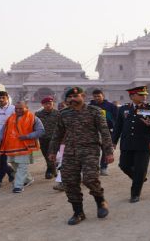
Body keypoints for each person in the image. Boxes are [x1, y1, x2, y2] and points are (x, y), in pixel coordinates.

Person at [49, 86, 114, 225]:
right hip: (70, 151)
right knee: (69, 181)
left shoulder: (95, 112)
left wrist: (108, 152)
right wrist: (53, 151)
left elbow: (105, 132)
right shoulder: (64, 114)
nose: (73, 99)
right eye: (70, 97)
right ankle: (78, 212)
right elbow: (57, 134)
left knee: (90, 179)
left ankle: (100, 200)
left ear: (83, 96)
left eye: (75, 96)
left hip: (90, 150)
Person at [113, 86, 150, 203]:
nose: (144, 97)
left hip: (143, 144)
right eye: (141, 95)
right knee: (124, 165)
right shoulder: (123, 109)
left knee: (140, 169)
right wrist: (113, 142)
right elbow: (118, 127)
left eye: (145, 94)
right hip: (127, 143)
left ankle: (135, 194)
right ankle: (139, 178)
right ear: (132, 96)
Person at [0, 101, 45, 193]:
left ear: (26, 108)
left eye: (21, 108)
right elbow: (4, 130)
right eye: (16, 108)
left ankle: (18, 185)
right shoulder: (10, 118)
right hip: (11, 147)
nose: (18, 110)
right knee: (15, 165)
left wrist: (27, 136)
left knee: (22, 166)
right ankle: (28, 179)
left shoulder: (33, 118)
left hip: (25, 147)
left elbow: (41, 131)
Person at [0, 91, 16, 188]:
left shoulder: (13, 108)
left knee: (2, 158)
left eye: (3, 98)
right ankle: (9, 171)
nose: (1, 100)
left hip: (7, 135)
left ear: (7, 98)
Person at [89, 89, 117, 176]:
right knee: (93, 151)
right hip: (94, 132)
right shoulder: (89, 106)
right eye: (95, 96)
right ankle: (94, 168)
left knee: (106, 150)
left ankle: (103, 167)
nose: (97, 98)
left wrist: (115, 131)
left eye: (99, 96)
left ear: (103, 96)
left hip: (107, 131)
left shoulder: (111, 106)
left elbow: (116, 119)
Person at [35, 96, 59, 179]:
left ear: (53, 103)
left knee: (51, 155)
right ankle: (52, 169)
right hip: (43, 138)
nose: (48, 105)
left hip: (54, 139)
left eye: (50, 103)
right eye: (46, 104)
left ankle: (50, 171)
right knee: (46, 155)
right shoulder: (38, 114)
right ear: (42, 105)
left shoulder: (58, 114)